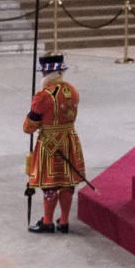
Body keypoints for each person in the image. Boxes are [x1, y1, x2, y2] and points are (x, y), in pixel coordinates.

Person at [24, 54, 86, 233]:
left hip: (49, 144)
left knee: (49, 183)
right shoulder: (73, 91)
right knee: (67, 181)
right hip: (69, 140)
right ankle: (65, 220)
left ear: (45, 73)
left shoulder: (43, 96)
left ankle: (48, 221)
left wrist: (32, 120)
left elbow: (28, 127)